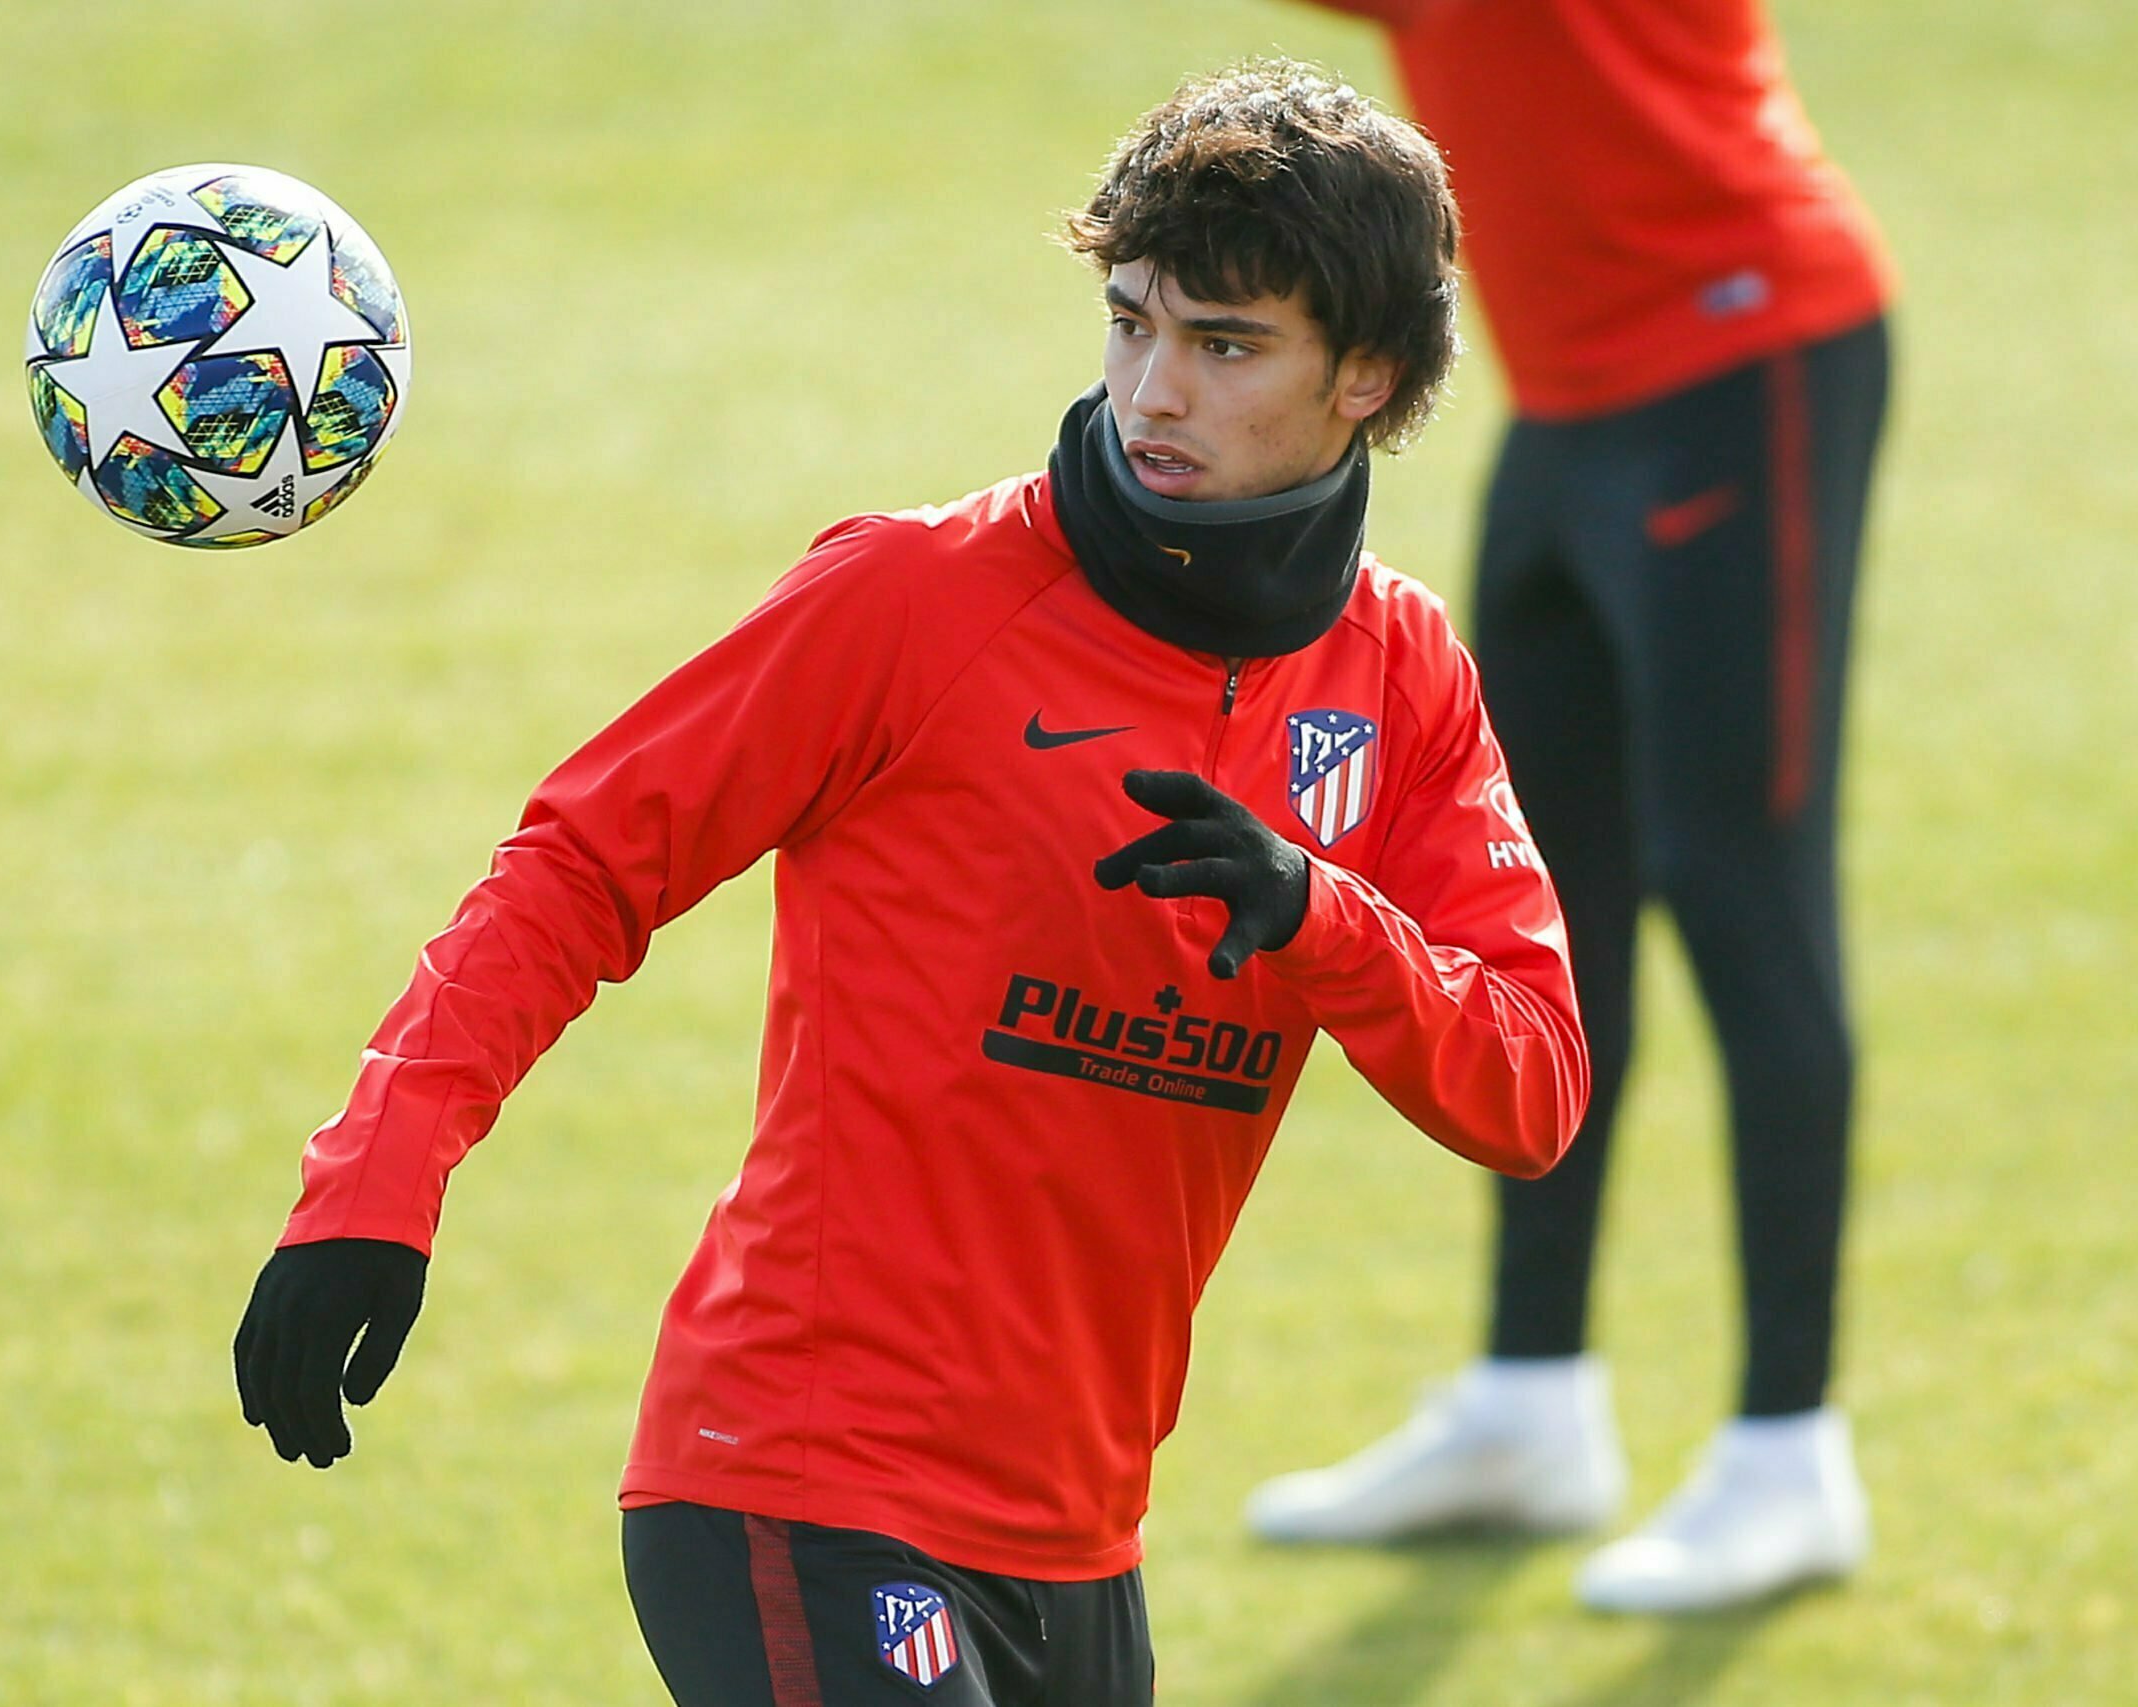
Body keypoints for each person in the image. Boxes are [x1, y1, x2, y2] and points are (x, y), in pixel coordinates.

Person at [233, 61, 1590, 1706]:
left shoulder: (1401, 677)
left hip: (1081, 1544)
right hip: (801, 1484)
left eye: (1224, 347)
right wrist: (372, 1189)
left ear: (1366, 376)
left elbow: (1532, 1088)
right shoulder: (911, 600)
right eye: (1131, 320)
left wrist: (1314, 919)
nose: (1153, 391)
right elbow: (580, 862)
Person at [1240, 0, 1894, 1615]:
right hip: (1569, 404)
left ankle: (1788, 1451)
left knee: (1740, 892)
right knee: (1540, 906)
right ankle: (1534, 1403)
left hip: (1746, 356)